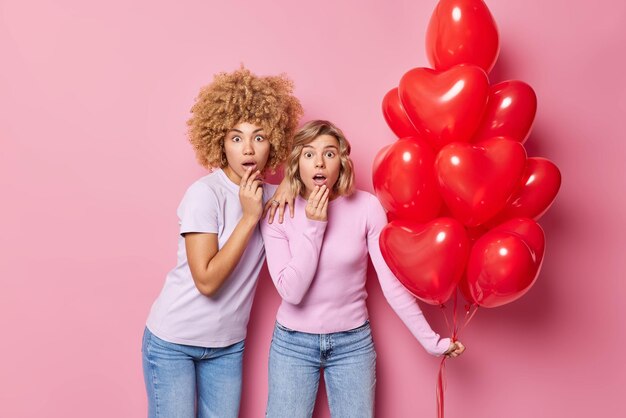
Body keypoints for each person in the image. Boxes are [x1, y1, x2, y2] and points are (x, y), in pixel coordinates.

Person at [261, 120, 465, 418]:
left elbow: (391, 283)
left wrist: (431, 341)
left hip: (352, 344)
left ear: (341, 163)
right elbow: (291, 292)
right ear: (297, 163)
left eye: (329, 154)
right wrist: (315, 227)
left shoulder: (366, 207)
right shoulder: (281, 211)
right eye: (308, 154)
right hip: (292, 344)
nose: (319, 162)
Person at [142, 67, 302, 418]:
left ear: (273, 141)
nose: (248, 149)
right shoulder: (205, 194)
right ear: (219, 142)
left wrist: (292, 177)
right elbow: (207, 281)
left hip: (227, 346)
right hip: (174, 342)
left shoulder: (275, 196)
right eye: (236, 138)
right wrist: (249, 218)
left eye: (259, 137)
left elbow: (320, 175)